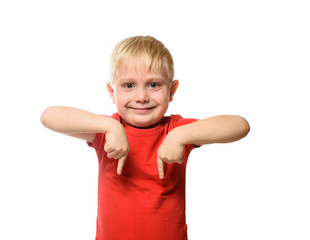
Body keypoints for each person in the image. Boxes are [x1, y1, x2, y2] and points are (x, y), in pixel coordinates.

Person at [40, 35, 250, 240]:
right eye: (129, 85)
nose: (141, 97)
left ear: (172, 90)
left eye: (153, 85)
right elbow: (49, 116)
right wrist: (110, 125)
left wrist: (180, 135)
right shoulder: (107, 131)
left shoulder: (175, 129)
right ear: (112, 92)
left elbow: (240, 125)